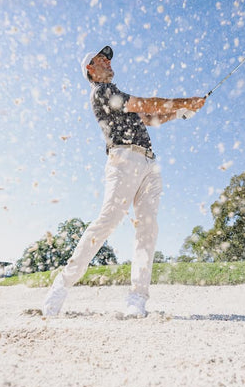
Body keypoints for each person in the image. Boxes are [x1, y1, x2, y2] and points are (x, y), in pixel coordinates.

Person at [42, 45, 205, 317]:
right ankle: (62, 284)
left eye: (107, 57)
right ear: (90, 70)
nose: (107, 60)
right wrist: (185, 101)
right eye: (100, 58)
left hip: (149, 164)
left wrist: (181, 112)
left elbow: (151, 118)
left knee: (147, 228)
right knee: (108, 222)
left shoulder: (118, 96)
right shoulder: (103, 92)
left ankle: (137, 299)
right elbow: (145, 103)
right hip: (123, 160)